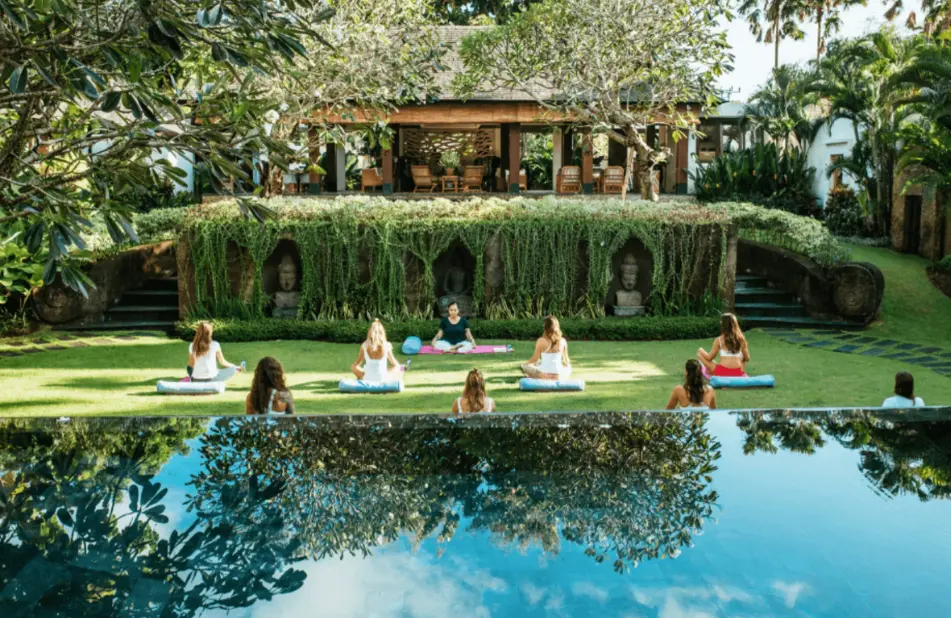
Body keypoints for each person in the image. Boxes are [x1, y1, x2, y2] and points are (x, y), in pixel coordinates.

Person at [697, 313, 750, 378]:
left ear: (723, 325)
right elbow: (747, 358)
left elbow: (709, 357)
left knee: (699, 355)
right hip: (738, 372)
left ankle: (708, 371)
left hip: (722, 372)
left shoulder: (719, 340)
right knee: (743, 357)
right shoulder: (741, 339)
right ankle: (740, 372)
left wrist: (701, 350)